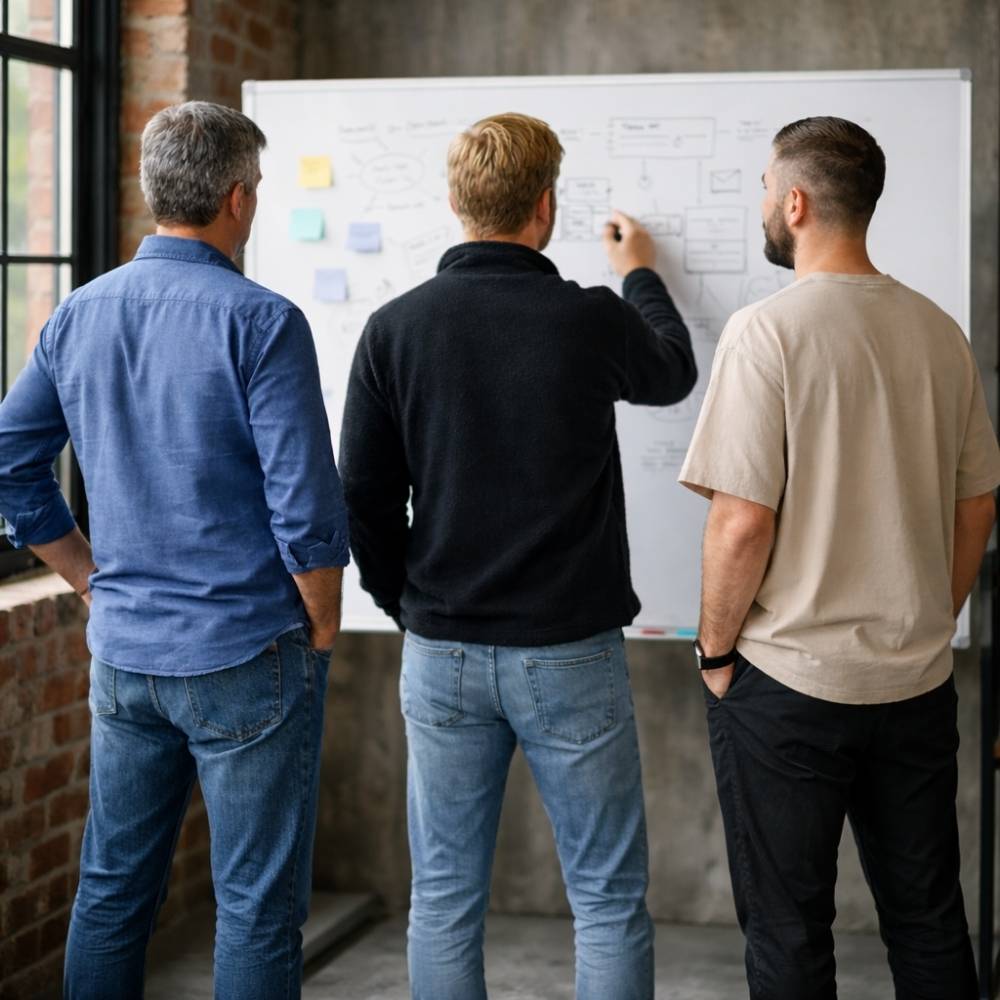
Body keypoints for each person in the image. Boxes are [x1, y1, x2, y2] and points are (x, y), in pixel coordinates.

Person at [339, 111, 697, 1000]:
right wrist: (640, 273)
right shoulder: (589, 320)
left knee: (444, 900)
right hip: (569, 652)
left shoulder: (394, 329)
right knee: (608, 901)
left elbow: (363, 500)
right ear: (544, 207)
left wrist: (407, 603)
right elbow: (675, 369)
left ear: (459, 205)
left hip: (442, 652)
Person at [0, 101, 349, 999]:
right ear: (237, 198)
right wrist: (321, 626)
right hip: (246, 651)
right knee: (257, 909)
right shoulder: (264, 322)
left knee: (112, 893)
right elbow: (305, 509)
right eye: (259, 188)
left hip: (125, 654)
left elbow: (10, 462)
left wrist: (85, 577)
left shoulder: (77, 314)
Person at [679, 116, 1000, 999]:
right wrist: (927, 613)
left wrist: (713, 656)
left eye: (763, 192)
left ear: (796, 202)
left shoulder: (766, 331)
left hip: (788, 687)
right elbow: (978, 505)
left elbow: (741, 523)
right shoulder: (940, 333)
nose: (763, 207)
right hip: (916, 681)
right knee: (931, 922)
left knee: (788, 935)